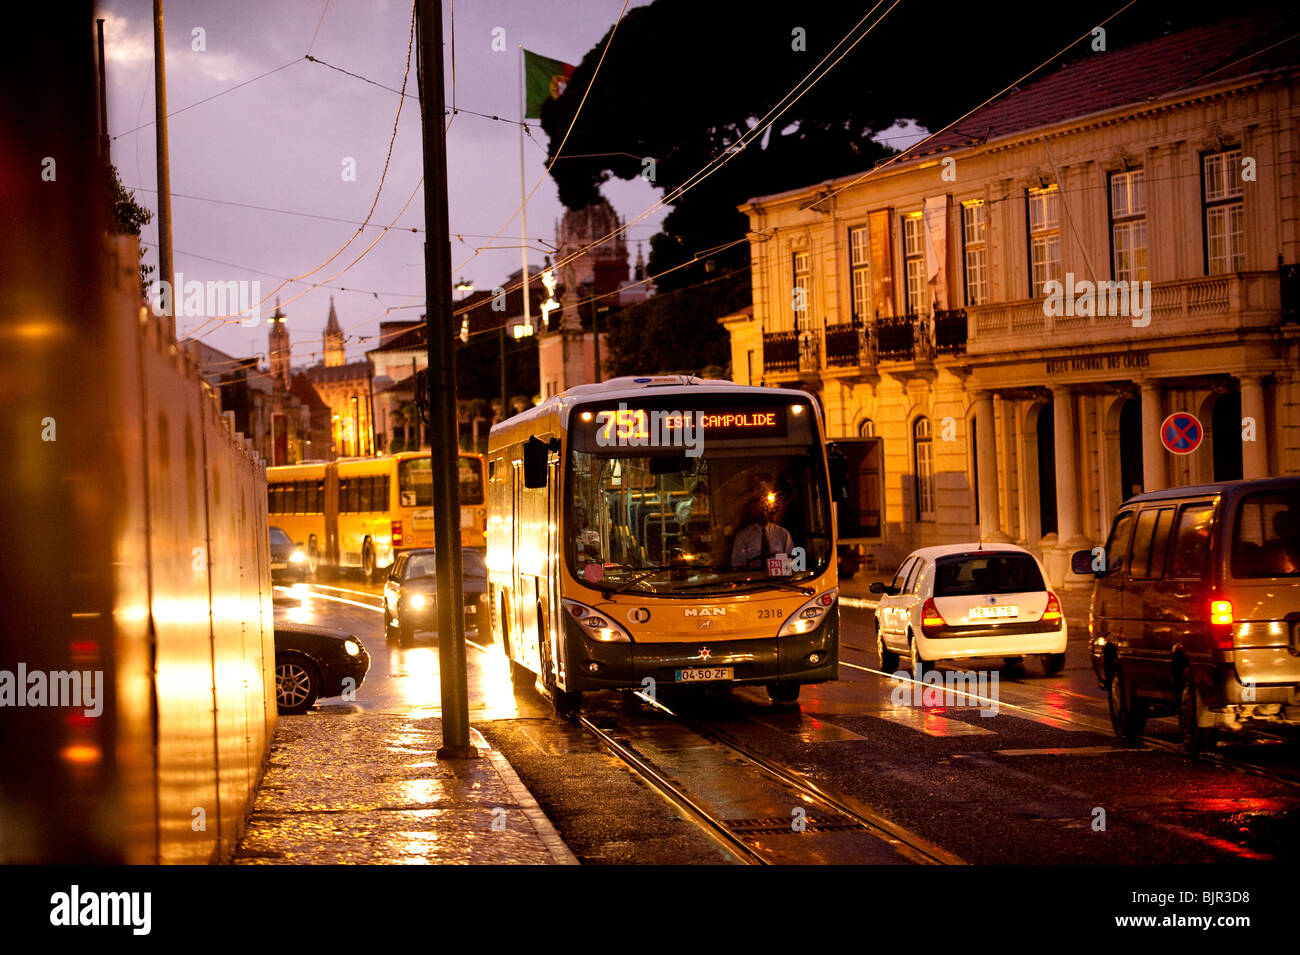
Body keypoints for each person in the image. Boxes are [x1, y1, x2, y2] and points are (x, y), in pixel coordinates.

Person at [729, 489, 794, 570]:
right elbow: (737, 564)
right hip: (753, 578)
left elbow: (790, 562)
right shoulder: (743, 536)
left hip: (778, 577)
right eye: (759, 508)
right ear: (753, 511)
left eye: (766, 508)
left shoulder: (783, 534)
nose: (763, 512)